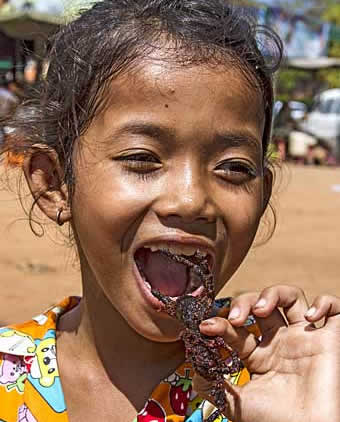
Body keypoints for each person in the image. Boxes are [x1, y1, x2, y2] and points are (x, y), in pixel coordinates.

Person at [0, 1, 339, 421]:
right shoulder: (7, 378)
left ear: (263, 194)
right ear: (54, 184)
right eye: (142, 158)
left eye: (233, 167)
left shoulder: (283, 383)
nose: (191, 199)